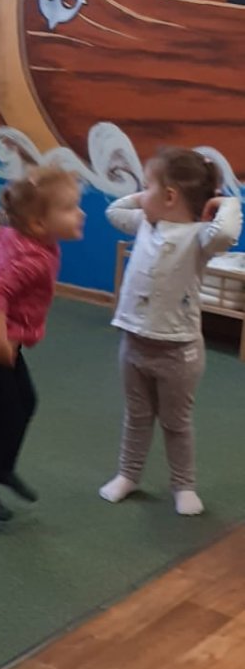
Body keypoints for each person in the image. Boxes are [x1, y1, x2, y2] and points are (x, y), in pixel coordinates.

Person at [100, 147, 241, 516]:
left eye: (146, 186)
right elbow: (114, 211)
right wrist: (146, 198)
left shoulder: (199, 237)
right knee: (137, 416)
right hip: (134, 342)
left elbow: (227, 232)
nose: (139, 194)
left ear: (169, 196)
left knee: (176, 423)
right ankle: (128, 475)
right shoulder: (145, 223)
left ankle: (184, 485)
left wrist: (224, 202)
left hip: (179, 352)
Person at [0, 166, 84, 522]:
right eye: (70, 208)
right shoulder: (33, 260)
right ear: (39, 224)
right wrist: (0, 342)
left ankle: (3, 467)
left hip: (1, 341)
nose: (80, 214)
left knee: (26, 403)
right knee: (8, 417)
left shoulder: (22, 239)